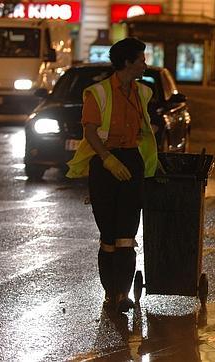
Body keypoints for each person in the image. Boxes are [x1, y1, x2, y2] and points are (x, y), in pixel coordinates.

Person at [66, 37, 159, 313]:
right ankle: (110, 292)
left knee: (126, 235)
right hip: (105, 165)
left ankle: (122, 294)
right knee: (108, 236)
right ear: (128, 63)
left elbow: (144, 131)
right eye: (141, 59)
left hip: (131, 161)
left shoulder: (143, 92)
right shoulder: (98, 93)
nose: (145, 64)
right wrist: (107, 159)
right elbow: (91, 131)